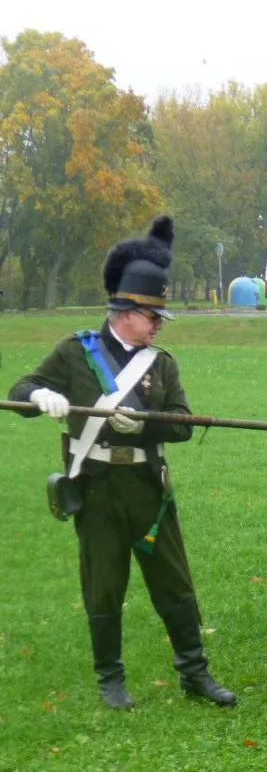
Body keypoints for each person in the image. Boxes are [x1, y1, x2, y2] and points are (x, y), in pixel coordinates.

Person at [8, 217, 236, 710]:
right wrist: (40, 396)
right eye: (153, 316)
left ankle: (195, 672)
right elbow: (19, 391)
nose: (158, 325)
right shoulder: (74, 353)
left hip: (148, 487)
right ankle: (110, 678)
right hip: (96, 488)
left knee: (174, 582)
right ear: (126, 312)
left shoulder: (162, 363)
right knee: (104, 584)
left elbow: (182, 423)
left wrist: (144, 426)